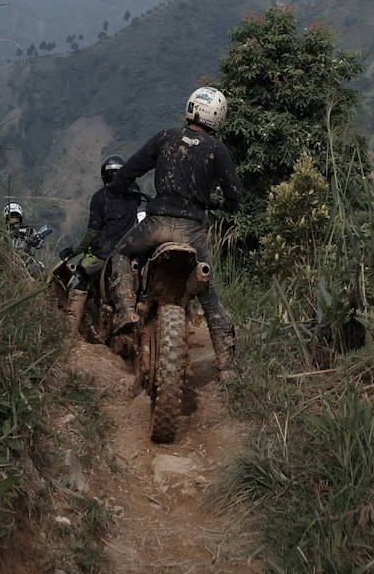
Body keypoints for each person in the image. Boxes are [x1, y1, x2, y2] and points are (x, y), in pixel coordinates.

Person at [106, 86, 242, 377]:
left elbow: (130, 169)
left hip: (155, 225)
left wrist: (116, 191)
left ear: (190, 108)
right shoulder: (217, 150)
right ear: (218, 118)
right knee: (210, 294)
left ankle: (127, 308)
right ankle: (227, 367)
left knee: (120, 252)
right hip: (192, 233)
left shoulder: (166, 137)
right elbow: (235, 194)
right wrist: (224, 205)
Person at [58, 155, 144, 335]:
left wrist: (74, 251)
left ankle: (70, 328)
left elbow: (92, 233)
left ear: (104, 175)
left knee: (81, 274)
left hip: (103, 252)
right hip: (131, 249)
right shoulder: (135, 191)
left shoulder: (99, 197)